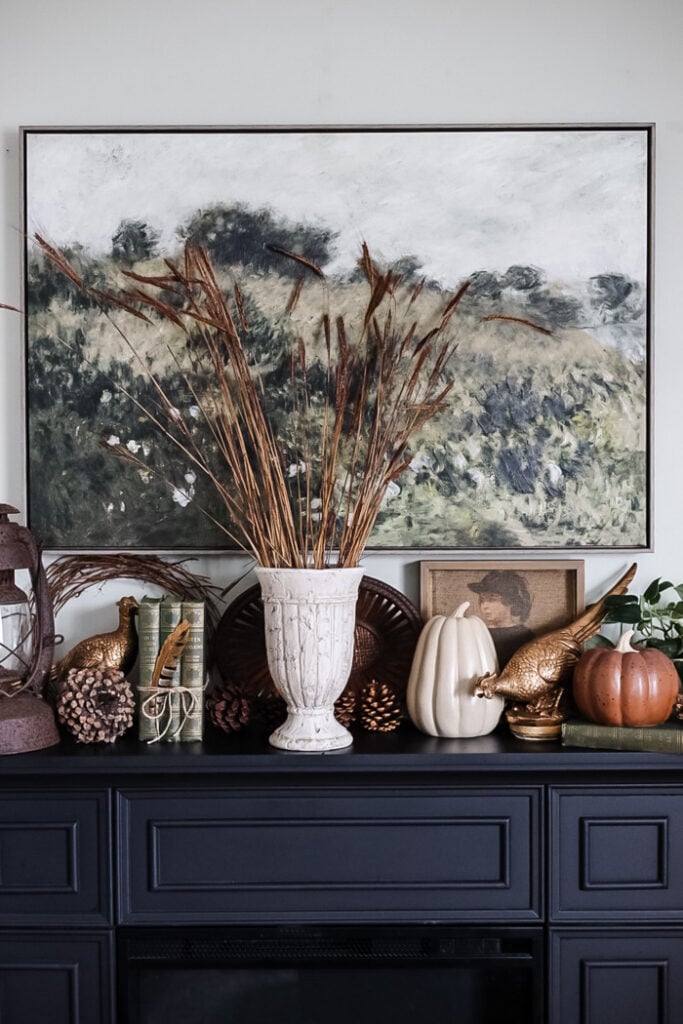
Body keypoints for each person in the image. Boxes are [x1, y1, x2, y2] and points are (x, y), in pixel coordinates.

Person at [468, 570, 535, 668]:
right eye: (482, 599)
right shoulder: (478, 634)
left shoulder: (525, 636)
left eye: (492, 599)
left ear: (510, 601)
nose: (484, 606)